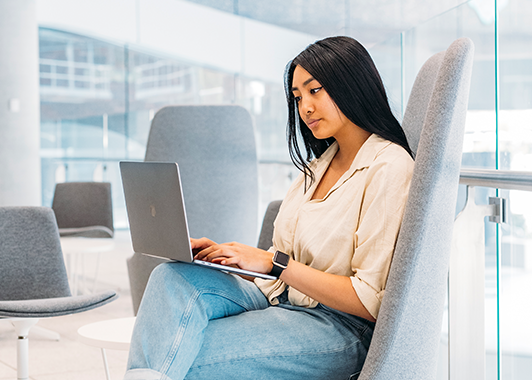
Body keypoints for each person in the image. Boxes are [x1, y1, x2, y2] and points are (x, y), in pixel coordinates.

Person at [123, 36, 415, 380]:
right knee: (170, 277)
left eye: (314, 90)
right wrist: (234, 257)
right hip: (280, 297)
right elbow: (285, 261)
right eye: (297, 97)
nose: (304, 106)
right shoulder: (321, 165)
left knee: (178, 353)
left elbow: (369, 301)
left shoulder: (389, 167)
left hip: (340, 327)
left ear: (351, 84)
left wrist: (274, 263)